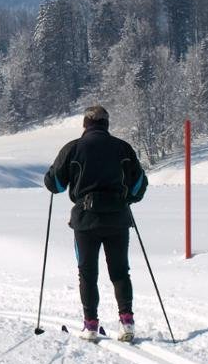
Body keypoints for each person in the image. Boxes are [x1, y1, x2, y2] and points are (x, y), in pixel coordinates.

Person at [43, 105, 147, 342]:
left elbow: (55, 185)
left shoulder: (74, 148)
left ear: (85, 124)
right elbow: (140, 186)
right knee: (120, 271)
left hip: (85, 221)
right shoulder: (123, 148)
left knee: (87, 273)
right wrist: (124, 199)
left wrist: (53, 174)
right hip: (118, 219)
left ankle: (90, 326)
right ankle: (127, 322)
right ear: (106, 124)